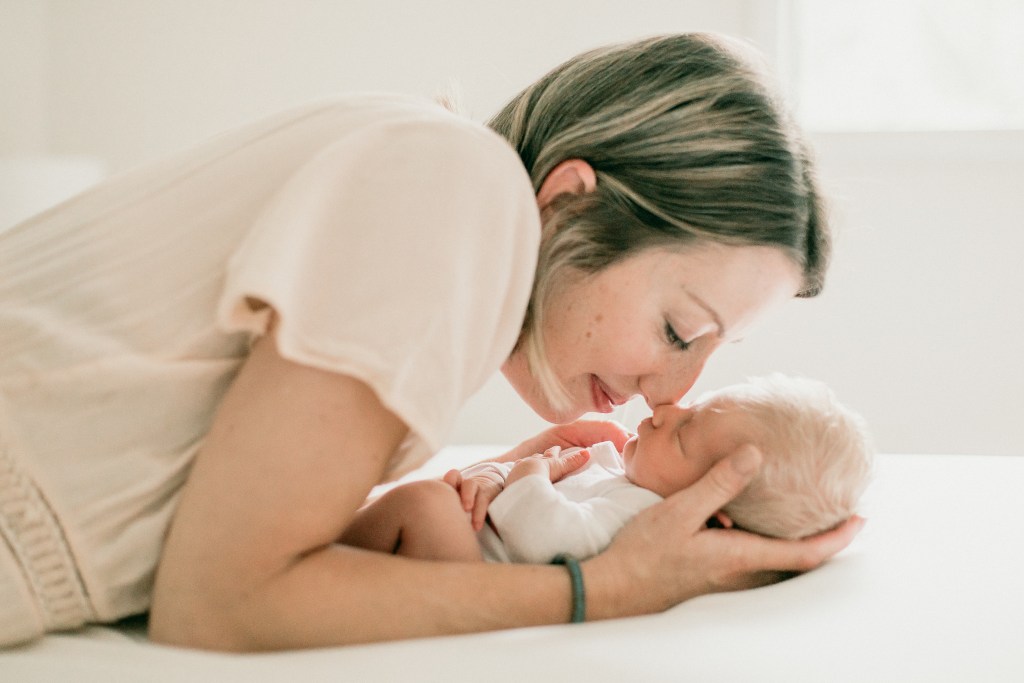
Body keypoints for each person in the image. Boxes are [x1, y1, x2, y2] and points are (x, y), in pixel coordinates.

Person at [0, 33, 862, 651]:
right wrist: (600, 589)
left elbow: (226, 535)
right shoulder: (453, 187)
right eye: (679, 330)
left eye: (712, 352)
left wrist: (489, 484)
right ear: (570, 200)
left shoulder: (433, 172)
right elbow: (220, 602)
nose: (673, 392)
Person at [341, 375, 873, 566]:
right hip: (473, 533)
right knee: (420, 501)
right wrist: (495, 475)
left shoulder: (642, 513)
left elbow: (546, 537)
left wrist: (527, 474)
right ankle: (328, 543)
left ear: (711, 508)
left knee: (424, 506)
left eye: (683, 434)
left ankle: (321, 552)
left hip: (475, 567)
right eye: (691, 408)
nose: (665, 411)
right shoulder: (623, 474)